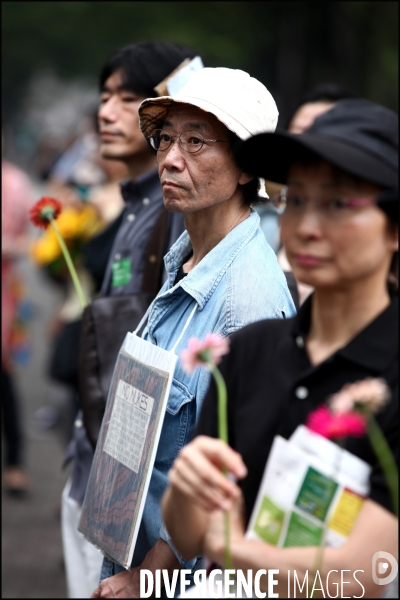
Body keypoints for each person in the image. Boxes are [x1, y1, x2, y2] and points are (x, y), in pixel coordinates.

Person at [162, 98, 398, 598]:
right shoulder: (248, 349)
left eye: (338, 204)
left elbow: (362, 574)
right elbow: (187, 533)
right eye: (297, 200)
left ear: (394, 228)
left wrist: (230, 550)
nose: (307, 226)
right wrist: (185, 487)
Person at [91, 66, 296, 598]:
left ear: (248, 167)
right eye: (166, 139)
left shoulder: (246, 301)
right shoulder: (185, 256)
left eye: (197, 142)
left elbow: (230, 474)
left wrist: (148, 577)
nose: (170, 159)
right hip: (128, 546)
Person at [61, 42, 198, 598]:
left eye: (129, 98)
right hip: (98, 460)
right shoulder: (137, 208)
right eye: (104, 96)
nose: (106, 111)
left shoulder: (176, 216)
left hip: (133, 483)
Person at [2, 157, 35, 497]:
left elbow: (26, 240)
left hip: (5, 293)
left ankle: (14, 462)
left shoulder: (14, 181)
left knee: (4, 375)